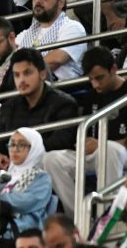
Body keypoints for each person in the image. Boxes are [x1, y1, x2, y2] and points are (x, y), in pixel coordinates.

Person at [43, 47, 127, 215]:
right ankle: (79, 217)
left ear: (114, 69)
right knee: (51, 159)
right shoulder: (91, 95)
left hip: (120, 153)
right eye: (91, 79)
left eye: (100, 78)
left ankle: (109, 215)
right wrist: (83, 143)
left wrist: (101, 144)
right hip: (94, 154)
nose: (95, 84)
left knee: (110, 149)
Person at [0, 49, 79, 168]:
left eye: (27, 73)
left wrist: (24, 153)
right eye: (17, 75)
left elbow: (61, 142)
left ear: (43, 74)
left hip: (46, 166)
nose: (22, 80)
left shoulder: (63, 103)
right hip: (14, 169)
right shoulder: (9, 107)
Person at [15, 0, 87, 80]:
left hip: (62, 91)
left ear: (61, 2)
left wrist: (20, 73)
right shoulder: (25, 34)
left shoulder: (73, 28)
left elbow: (55, 61)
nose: (38, 1)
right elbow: (10, 61)